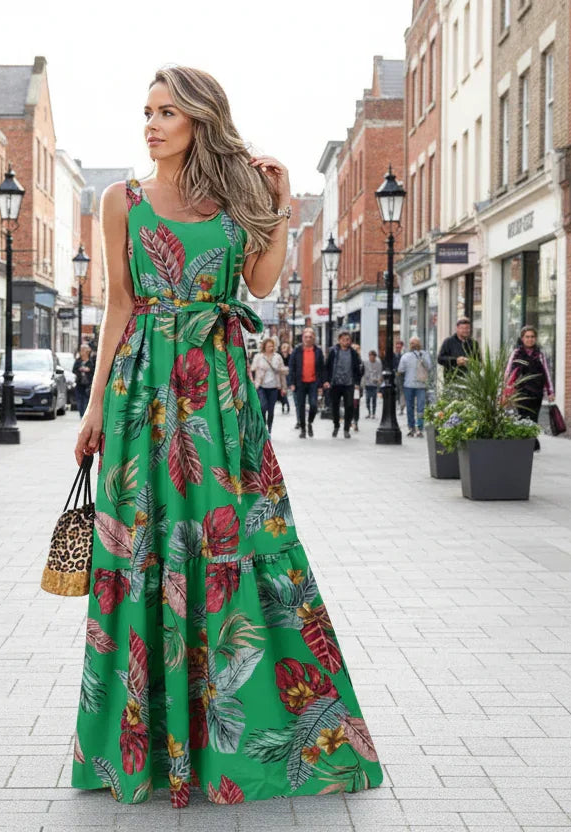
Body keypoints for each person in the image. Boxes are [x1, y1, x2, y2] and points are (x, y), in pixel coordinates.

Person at [71, 66, 381, 806]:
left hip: (217, 394)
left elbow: (267, 284)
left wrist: (278, 206)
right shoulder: (123, 201)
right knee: (143, 548)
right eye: (146, 112)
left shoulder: (234, 202)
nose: (151, 124)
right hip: (139, 395)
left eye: (167, 112)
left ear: (202, 121)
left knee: (234, 545)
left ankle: (250, 744)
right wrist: (91, 410)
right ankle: (140, 751)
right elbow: (119, 304)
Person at [504, 325, 555, 451]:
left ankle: (531, 442)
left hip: (536, 392)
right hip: (521, 391)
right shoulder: (516, 353)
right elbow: (508, 372)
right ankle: (528, 443)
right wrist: (506, 390)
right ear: (522, 338)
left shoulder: (540, 354)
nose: (530, 339)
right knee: (522, 417)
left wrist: (550, 391)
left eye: (532, 337)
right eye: (527, 337)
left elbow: (546, 373)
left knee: (533, 418)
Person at [287, 327, 326, 438]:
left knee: (314, 405)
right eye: (306, 337)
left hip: (313, 382)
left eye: (310, 337)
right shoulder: (297, 350)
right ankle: (303, 429)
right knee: (301, 406)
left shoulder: (318, 351)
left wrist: (321, 384)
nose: (308, 339)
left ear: (313, 338)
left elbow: (322, 368)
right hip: (300, 382)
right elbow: (292, 367)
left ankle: (310, 422)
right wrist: (292, 383)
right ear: (303, 338)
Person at [323, 330, 362, 438]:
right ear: (339, 340)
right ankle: (336, 425)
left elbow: (358, 369)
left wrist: (357, 382)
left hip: (349, 384)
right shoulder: (333, 351)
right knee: (335, 406)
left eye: (348, 340)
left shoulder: (353, 353)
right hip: (335, 383)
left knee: (349, 406)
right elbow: (327, 367)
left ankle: (346, 428)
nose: (346, 342)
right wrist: (326, 380)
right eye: (344, 340)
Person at [397, 335, 433, 437]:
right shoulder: (409, 356)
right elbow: (429, 367)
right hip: (413, 385)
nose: (414, 345)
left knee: (416, 407)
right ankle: (415, 428)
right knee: (415, 407)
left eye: (414, 343)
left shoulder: (421, 355)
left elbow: (400, 370)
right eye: (413, 343)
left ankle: (416, 428)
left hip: (416, 385)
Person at [250, 337, 285, 430]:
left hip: (273, 387)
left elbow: (282, 374)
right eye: (269, 346)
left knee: (271, 410)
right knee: (263, 406)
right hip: (261, 386)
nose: (271, 348)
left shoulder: (278, 357)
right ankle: (263, 425)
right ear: (264, 347)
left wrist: (283, 387)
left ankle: (269, 428)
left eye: (272, 346)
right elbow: (252, 369)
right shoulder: (258, 357)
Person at [438, 317, 478, 382]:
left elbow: (479, 362)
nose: (465, 330)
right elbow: (440, 359)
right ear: (457, 329)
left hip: (470, 382)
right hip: (452, 381)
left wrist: (470, 362)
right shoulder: (448, 342)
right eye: (462, 328)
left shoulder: (474, 343)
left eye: (467, 328)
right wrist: (456, 361)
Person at [72, 344, 96, 417]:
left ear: (87, 352)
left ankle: (85, 416)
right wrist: (80, 370)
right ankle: (81, 415)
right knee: (79, 401)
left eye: (83, 350)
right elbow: (74, 370)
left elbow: (94, 371)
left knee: (86, 401)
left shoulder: (91, 361)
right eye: (81, 350)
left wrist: (88, 370)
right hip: (79, 384)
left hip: (88, 385)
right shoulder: (78, 361)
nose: (82, 352)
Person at [361, 349, 382, 419]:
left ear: (375, 357)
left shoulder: (378, 363)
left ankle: (373, 413)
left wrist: (379, 379)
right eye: (370, 356)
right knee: (367, 399)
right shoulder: (365, 362)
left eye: (373, 356)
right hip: (367, 383)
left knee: (374, 399)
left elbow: (379, 372)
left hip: (375, 384)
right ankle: (369, 412)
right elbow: (363, 372)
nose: (371, 358)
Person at [278, 341, 292, 413]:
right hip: (281, 376)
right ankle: (285, 404)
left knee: (285, 391)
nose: (284, 349)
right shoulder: (279, 356)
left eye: (286, 347)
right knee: (283, 391)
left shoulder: (291, 356)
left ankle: (285, 404)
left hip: (288, 376)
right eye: (283, 347)